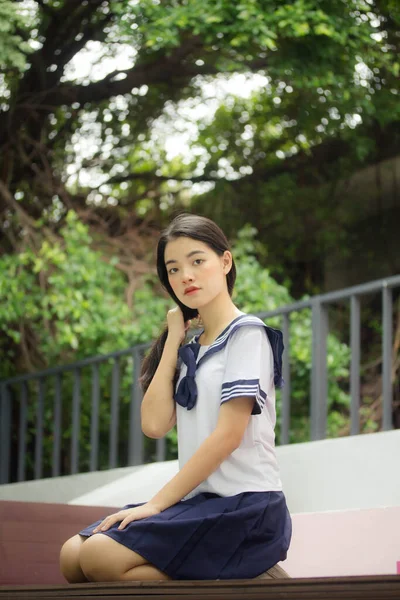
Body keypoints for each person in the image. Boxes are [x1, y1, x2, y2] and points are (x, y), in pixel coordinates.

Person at [59, 213, 292, 583]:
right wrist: (174, 339)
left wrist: (155, 504)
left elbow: (228, 437)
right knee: (73, 556)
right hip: (199, 506)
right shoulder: (193, 349)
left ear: (225, 261)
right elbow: (153, 425)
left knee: (101, 558)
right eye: (173, 269)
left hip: (247, 508)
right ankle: (228, 577)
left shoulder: (248, 335)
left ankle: (245, 579)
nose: (186, 275)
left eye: (197, 261)